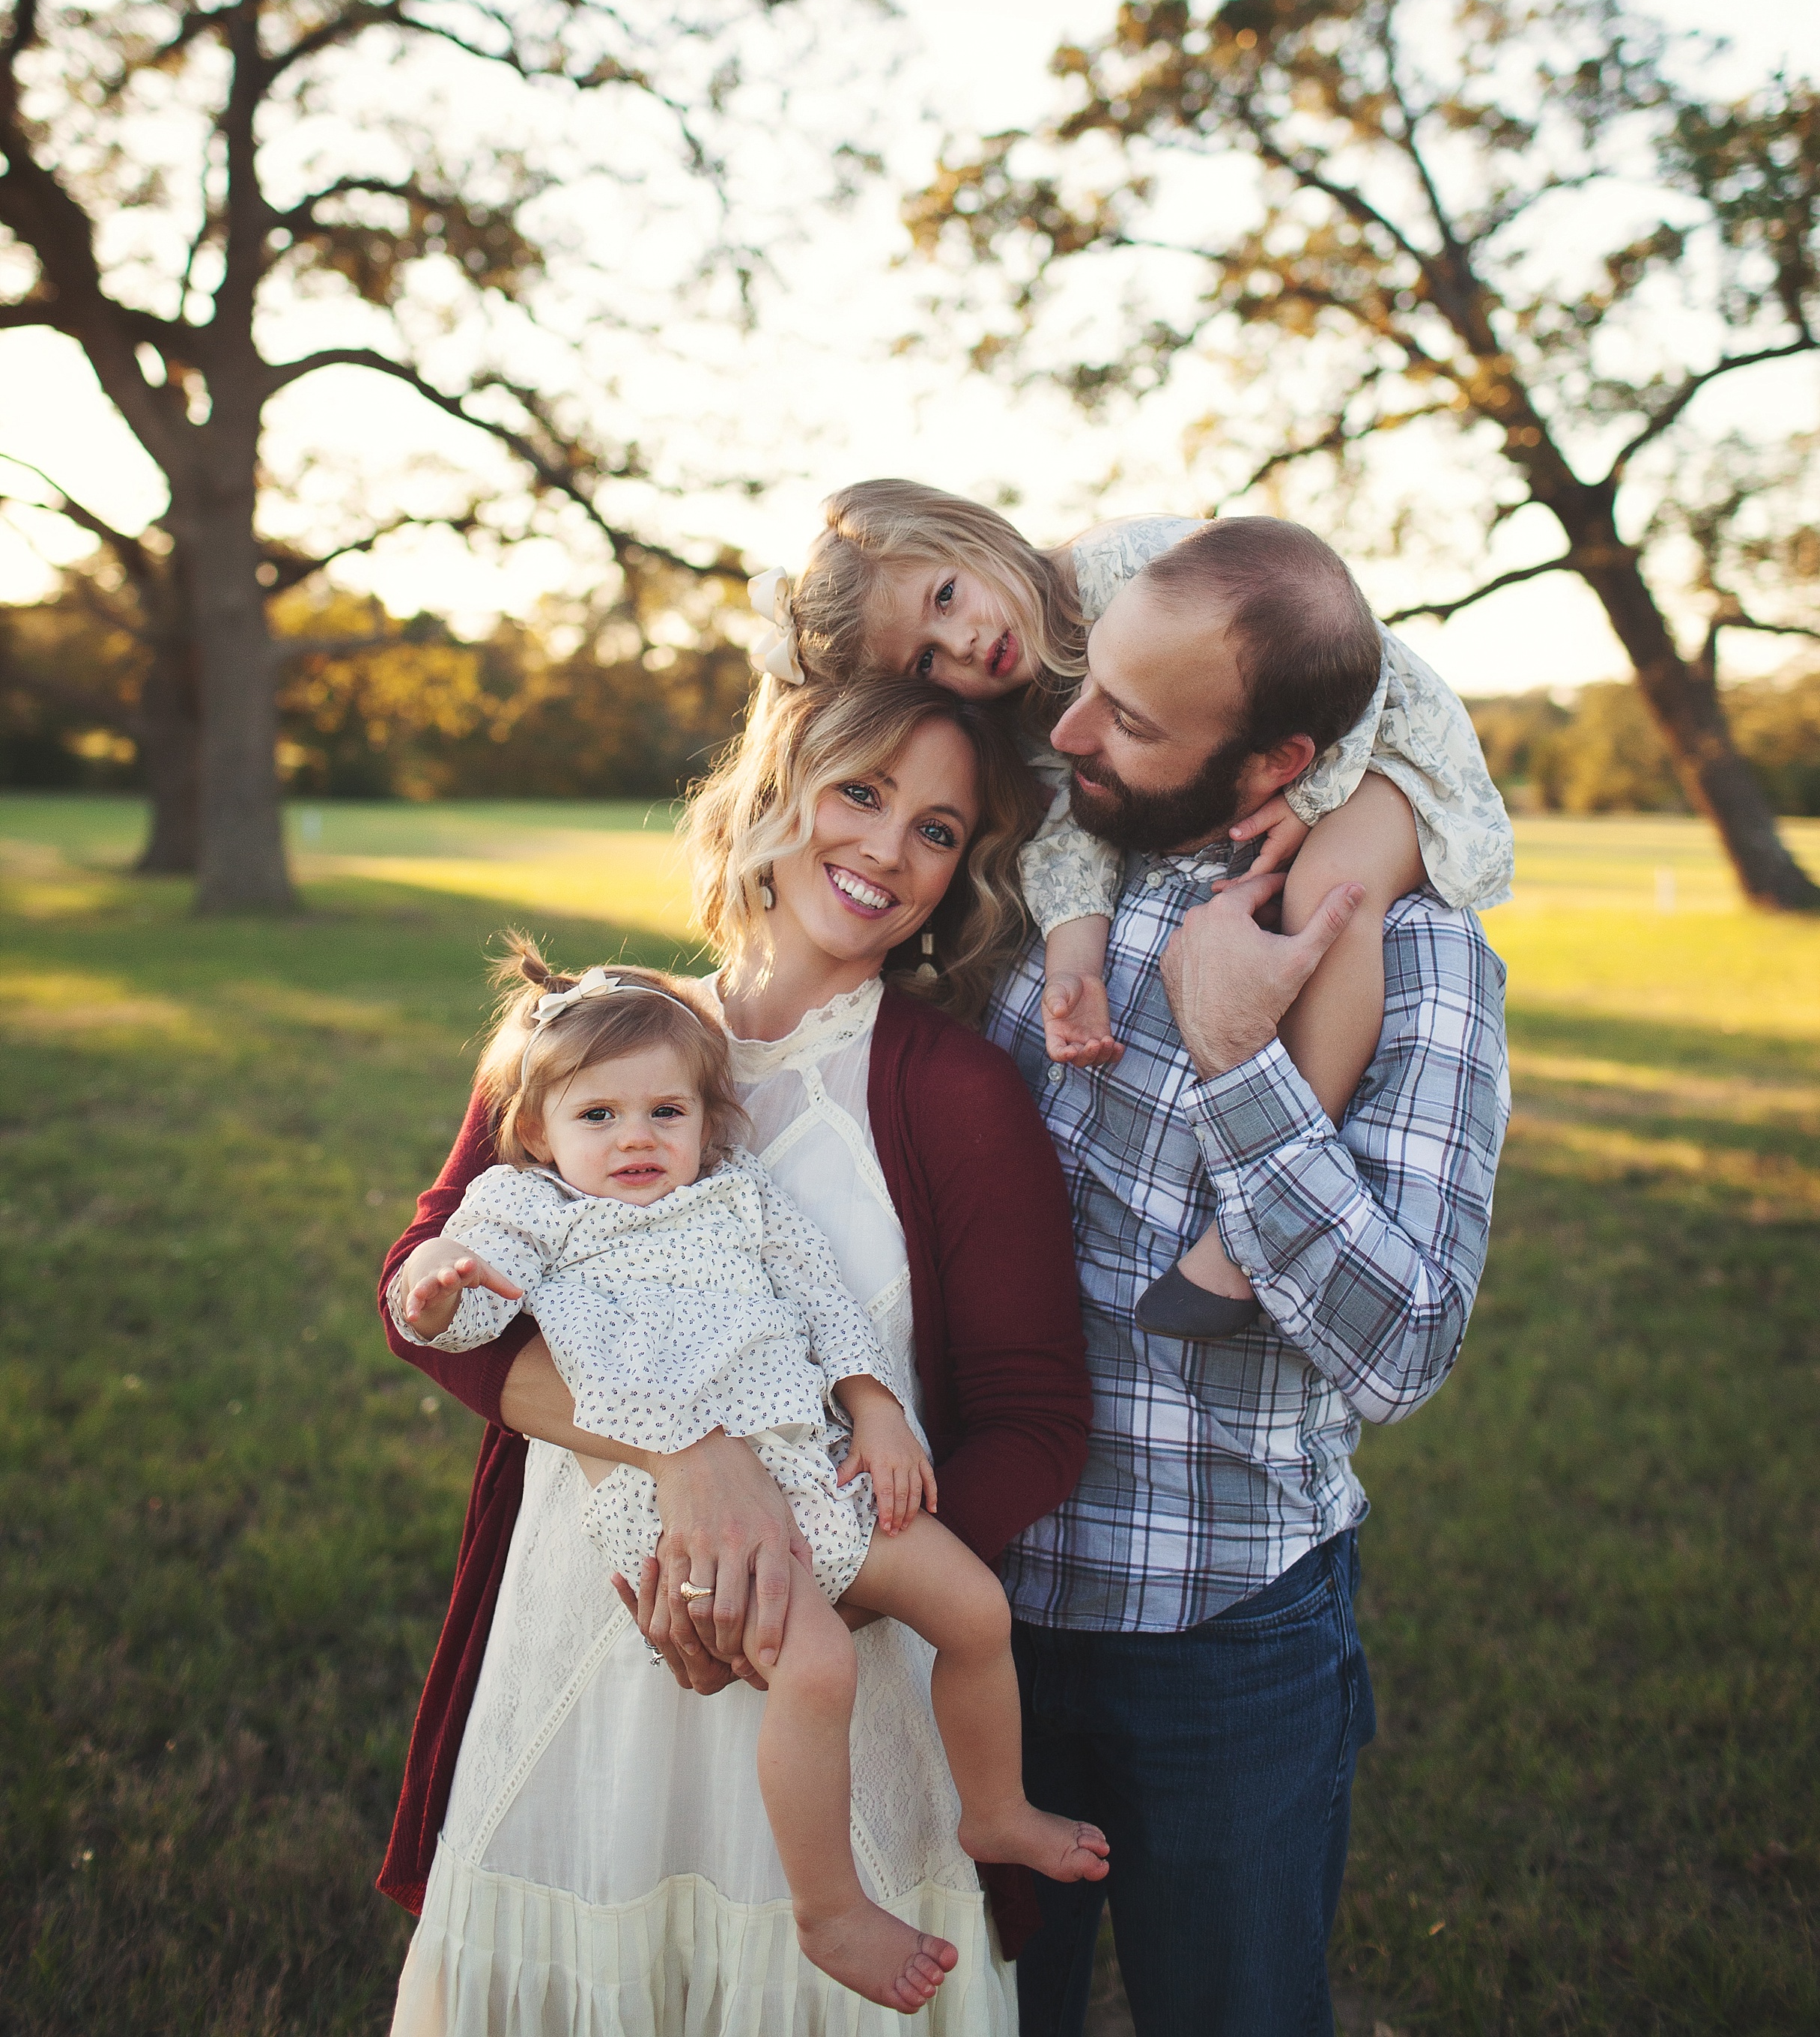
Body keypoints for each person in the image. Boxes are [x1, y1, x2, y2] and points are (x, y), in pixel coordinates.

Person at [377, 675, 1094, 2037]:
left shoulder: (953, 1090)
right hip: (603, 1615)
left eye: (939, 831)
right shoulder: (595, 1038)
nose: (890, 849)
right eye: (863, 793)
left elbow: (1035, 1418)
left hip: (841, 1648)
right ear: (773, 791)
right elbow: (432, 1301)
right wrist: (681, 1455)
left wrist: (836, 1582)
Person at [977, 514, 1511, 2037]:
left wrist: (1238, 1063)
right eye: (1090, 689)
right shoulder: (1031, 874)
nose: (1070, 730)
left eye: (1133, 721)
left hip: (1228, 1633)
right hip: (967, 1608)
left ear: (1277, 761)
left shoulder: (1414, 952)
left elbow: (1406, 1349)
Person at [754, 480, 1511, 1339]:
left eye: (946, 596)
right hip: (1296, 757)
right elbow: (1068, 830)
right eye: (926, 660)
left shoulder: (1123, 565)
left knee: (1332, 895)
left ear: (972, 535)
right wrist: (1077, 961)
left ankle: (1246, 1230)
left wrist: (1314, 792)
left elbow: (1342, 643)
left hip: (1382, 747)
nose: (962, 644)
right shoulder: (1025, 706)